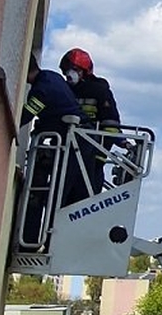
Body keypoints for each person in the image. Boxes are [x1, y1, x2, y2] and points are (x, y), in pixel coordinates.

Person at [20, 53, 95, 246]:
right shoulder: (51, 77)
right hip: (77, 140)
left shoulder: (42, 90)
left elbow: (25, 116)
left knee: (59, 192)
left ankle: (49, 242)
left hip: (76, 141)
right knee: (61, 191)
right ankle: (45, 240)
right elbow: (50, 116)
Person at [59, 47, 127, 193]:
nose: (67, 74)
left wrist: (100, 154)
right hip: (67, 152)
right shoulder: (66, 90)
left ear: (82, 70)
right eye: (65, 71)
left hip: (92, 156)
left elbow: (111, 125)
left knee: (86, 195)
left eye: (71, 69)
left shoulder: (99, 91)